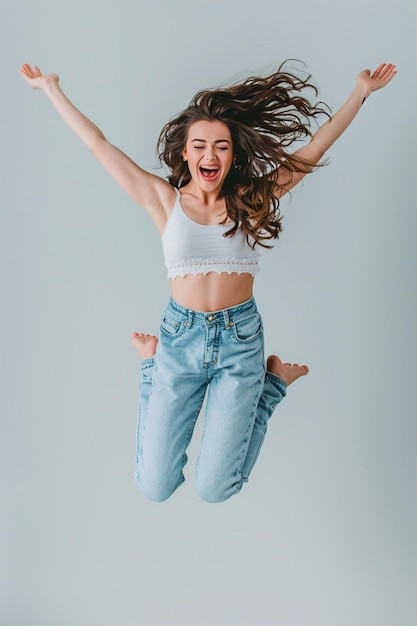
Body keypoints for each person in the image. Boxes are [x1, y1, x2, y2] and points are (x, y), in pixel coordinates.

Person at [20, 60, 396, 503]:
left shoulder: (250, 200)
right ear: (185, 154)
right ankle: (151, 366)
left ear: (233, 155)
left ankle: (271, 384)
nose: (210, 155)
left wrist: (361, 92)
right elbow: (99, 146)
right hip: (180, 339)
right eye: (200, 146)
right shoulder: (163, 200)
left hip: (240, 340)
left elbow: (311, 151)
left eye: (221, 147)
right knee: (154, 486)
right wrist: (51, 89)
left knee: (216, 489)